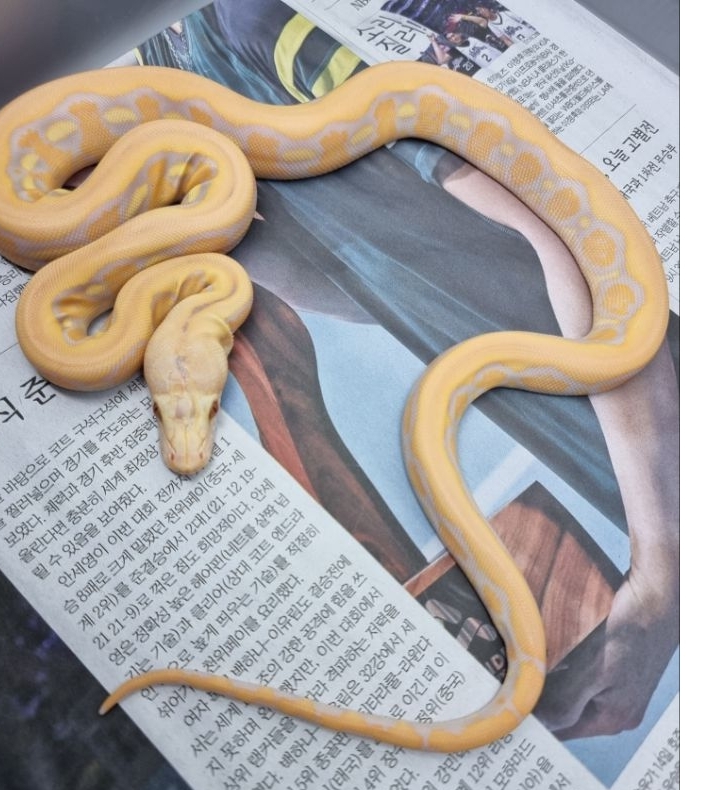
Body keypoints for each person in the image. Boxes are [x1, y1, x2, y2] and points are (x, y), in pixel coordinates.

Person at [139, 0, 680, 743]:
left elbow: (564, 235)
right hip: (588, 412)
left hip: (640, 385)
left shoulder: (247, 23)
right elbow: (344, 278)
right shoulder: (161, 86)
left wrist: (664, 571)